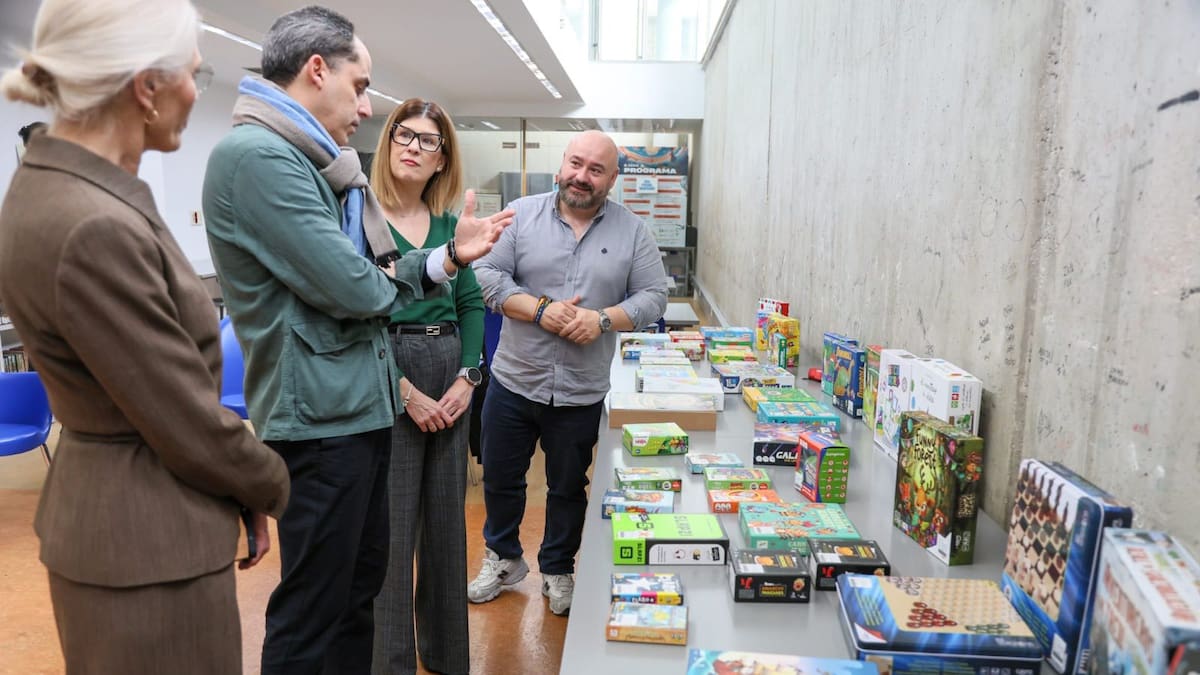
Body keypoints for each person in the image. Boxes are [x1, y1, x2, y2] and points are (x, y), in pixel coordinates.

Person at [201, 6, 511, 673]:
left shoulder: (317, 165)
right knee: (316, 611)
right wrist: (427, 269)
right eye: (361, 86)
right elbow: (357, 287)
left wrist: (440, 265)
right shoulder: (259, 157)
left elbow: (371, 282)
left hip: (351, 409)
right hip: (319, 421)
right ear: (318, 70)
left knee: (357, 592)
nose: (368, 109)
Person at [0, 1, 289, 673]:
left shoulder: (63, 187)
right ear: (146, 85)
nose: (195, 91)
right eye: (194, 74)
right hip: (145, 541)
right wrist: (273, 482)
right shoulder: (91, 223)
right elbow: (182, 415)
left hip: (134, 523)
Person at [470, 130, 669, 615]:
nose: (582, 176)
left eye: (596, 169)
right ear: (562, 165)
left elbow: (654, 296)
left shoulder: (633, 232)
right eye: (576, 163)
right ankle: (503, 558)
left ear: (612, 179)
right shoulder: (521, 215)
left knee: (567, 486)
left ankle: (558, 568)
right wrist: (539, 309)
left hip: (581, 391)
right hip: (515, 380)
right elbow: (486, 276)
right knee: (500, 477)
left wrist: (602, 320)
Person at [368, 98, 481, 675]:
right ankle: (389, 662)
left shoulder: (448, 224)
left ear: (442, 159)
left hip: (448, 362)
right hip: (388, 363)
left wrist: (468, 375)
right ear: (388, 144)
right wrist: (405, 392)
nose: (413, 147)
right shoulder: (361, 219)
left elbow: (471, 303)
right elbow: (361, 322)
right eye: (403, 135)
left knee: (445, 525)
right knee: (392, 528)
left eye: (428, 141)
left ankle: (444, 654)